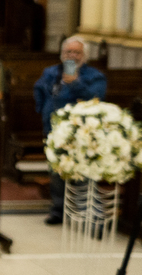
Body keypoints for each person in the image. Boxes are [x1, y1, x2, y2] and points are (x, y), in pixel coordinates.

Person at [34, 37, 107, 224]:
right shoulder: (50, 72)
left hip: (82, 133)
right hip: (54, 130)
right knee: (56, 171)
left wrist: (75, 82)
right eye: (68, 52)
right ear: (62, 54)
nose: (72, 56)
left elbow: (96, 97)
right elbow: (39, 90)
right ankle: (58, 210)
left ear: (85, 56)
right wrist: (43, 110)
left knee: (83, 172)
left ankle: (88, 213)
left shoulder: (95, 76)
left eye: (77, 52)